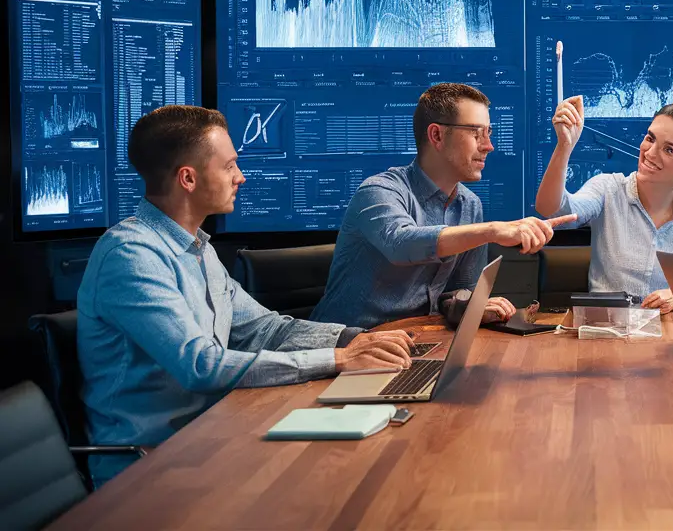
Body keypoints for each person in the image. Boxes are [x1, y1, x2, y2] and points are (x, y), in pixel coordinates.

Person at [78, 106, 415, 486]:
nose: (240, 176)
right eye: (229, 166)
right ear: (188, 178)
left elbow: (264, 328)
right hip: (149, 465)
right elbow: (201, 365)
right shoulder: (131, 256)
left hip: (216, 435)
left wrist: (354, 339)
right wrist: (338, 359)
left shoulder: (198, 249)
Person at [312, 83, 574, 329]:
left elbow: (456, 295)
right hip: (347, 346)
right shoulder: (378, 190)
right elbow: (400, 243)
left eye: (489, 133)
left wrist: (471, 306)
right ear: (436, 135)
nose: (489, 146)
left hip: (418, 342)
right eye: (476, 133)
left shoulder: (470, 206)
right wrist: (493, 230)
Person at [534, 98, 673, 312]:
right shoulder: (607, 189)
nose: (650, 153)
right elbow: (552, 210)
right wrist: (564, 146)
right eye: (650, 139)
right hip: (606, 328)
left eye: (669, 150)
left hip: (668, 331)